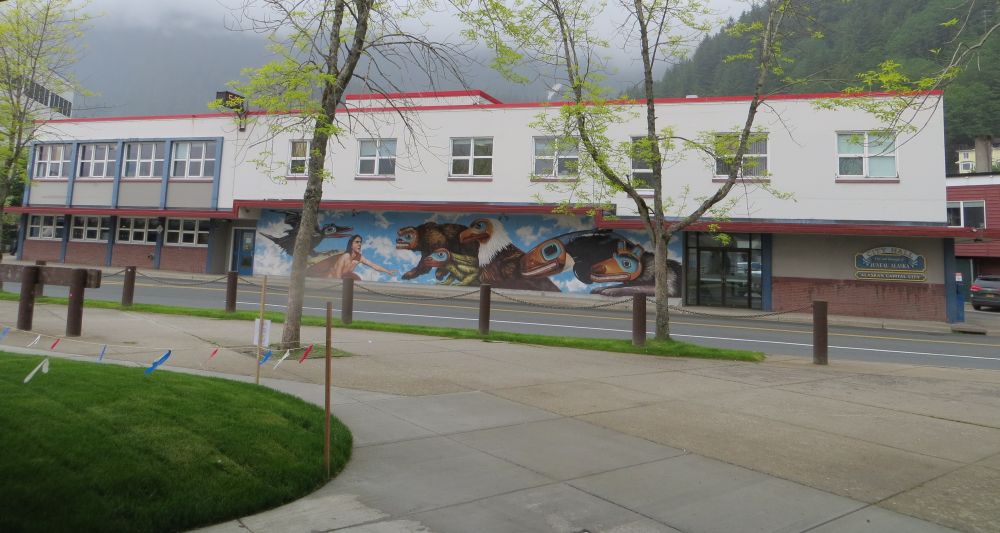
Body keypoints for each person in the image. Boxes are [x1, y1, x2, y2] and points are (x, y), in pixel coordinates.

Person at [327, 234, 397, 280]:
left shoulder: (359, 258)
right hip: (331, 280)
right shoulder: (345, 256)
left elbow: (373, 265)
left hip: (342, 282)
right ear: (351, 245)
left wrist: (387, 271)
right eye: (357, 242)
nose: (359, 244)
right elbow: (338, 274)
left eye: (360, 242)